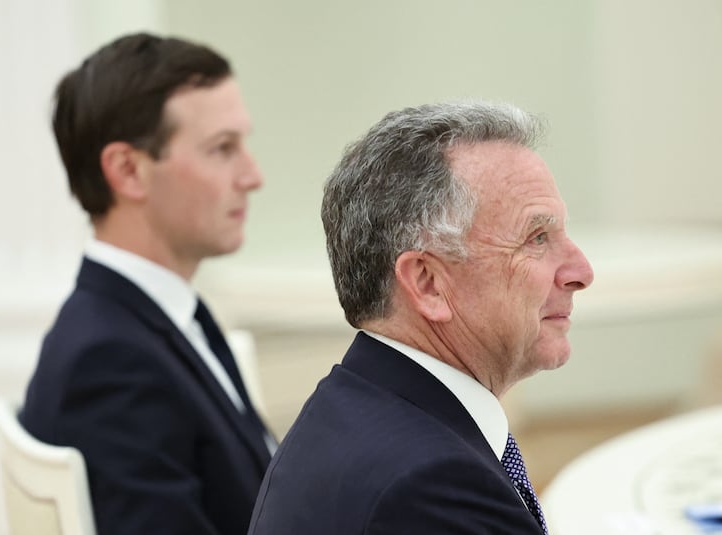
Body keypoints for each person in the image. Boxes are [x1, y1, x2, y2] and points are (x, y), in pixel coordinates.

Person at [248, 101, 594, 534]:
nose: (582, 272)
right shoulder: (431, 486)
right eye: (536, 238)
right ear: (428, 282)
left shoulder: (355, 411)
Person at [21, 32, 275, 535]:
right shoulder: (111, 364)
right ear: (127, 170)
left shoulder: (150, 320)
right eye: (223, 148)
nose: (253, 175)